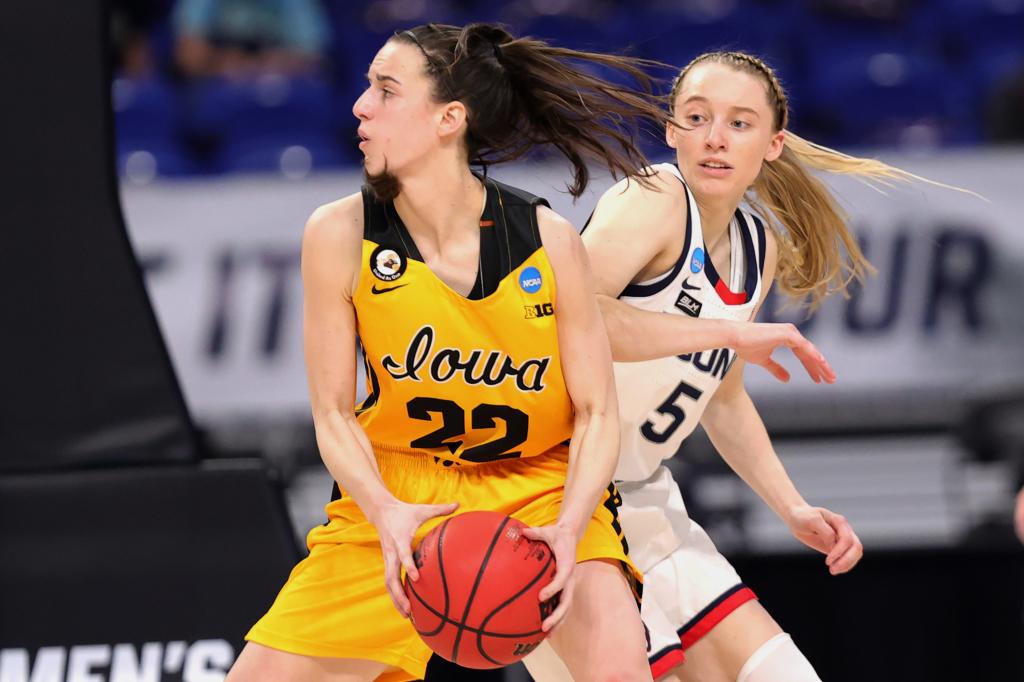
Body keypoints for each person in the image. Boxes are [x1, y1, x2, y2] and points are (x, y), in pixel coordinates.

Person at [225, 22, 689, 682]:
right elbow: (331, 414)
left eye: (385, 91)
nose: (360, 106)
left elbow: (595, 413)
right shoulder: (338, 233)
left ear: (449, 119)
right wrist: (386, 514)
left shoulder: (547, 241)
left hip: (541, 494)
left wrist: (569, 528)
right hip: (398, 493)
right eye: (365, 88)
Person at [524, 50, 957, 682]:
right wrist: (728, 330)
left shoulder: (760, 245)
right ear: (672, 132)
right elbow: (573, 320)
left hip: (643, 501)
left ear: (774, 143)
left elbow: (721, 398)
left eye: (739, 123)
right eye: (696, 118)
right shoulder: (653, 197)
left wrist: (792, 508)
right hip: (554, 500)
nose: (714, 138)